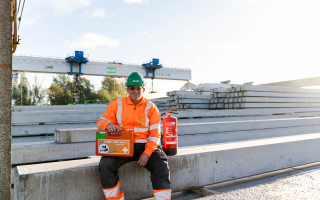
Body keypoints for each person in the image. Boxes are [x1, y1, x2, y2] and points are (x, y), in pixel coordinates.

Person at [97, 72, 171, 200]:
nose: (135, 91)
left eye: (138, 88)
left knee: (160, 163)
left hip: (145, 146)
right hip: (122, 146)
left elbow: (155, 135)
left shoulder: (151, 108)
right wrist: (107, 125)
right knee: (106, 164)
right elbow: (101, 121)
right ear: (127, 89)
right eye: (132, 88)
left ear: (143, 89)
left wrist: (147, 153)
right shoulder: (117, 104)